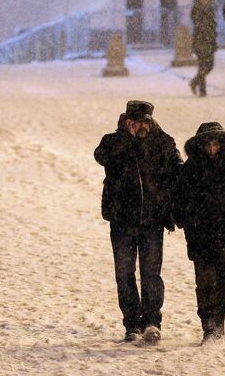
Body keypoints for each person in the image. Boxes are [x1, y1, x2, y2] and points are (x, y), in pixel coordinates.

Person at [94, 100, 182, 344]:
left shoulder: (163, 142)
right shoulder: (113, 142)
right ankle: (132, 324)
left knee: (151, 273)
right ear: (127, 122)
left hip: (152, 220)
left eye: (145, 121)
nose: (141, 126)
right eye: (136, 122)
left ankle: (152, 322)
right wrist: (126, 138)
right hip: (122, 220)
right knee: (124, 273)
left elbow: (178, 172)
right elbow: (101, 157)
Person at [174, 122, 225, 344]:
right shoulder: (191, 168)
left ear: (223, 144)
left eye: (216, 143)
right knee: (205, 283)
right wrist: (185, 220)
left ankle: (219, 321)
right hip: (201, 237)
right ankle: (208, 325)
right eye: (208, 144)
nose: (212, 148)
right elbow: (180, 199)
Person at [189, 0, 218, 97]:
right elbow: (198, 23)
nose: (205, 0)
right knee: (202, 66)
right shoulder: (196, 10)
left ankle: (194, 82)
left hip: (210, 41)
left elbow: (213, 25)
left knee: (210, 65)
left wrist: (213, 39)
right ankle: (203, 91)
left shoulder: (211, 9)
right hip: (200, 41)